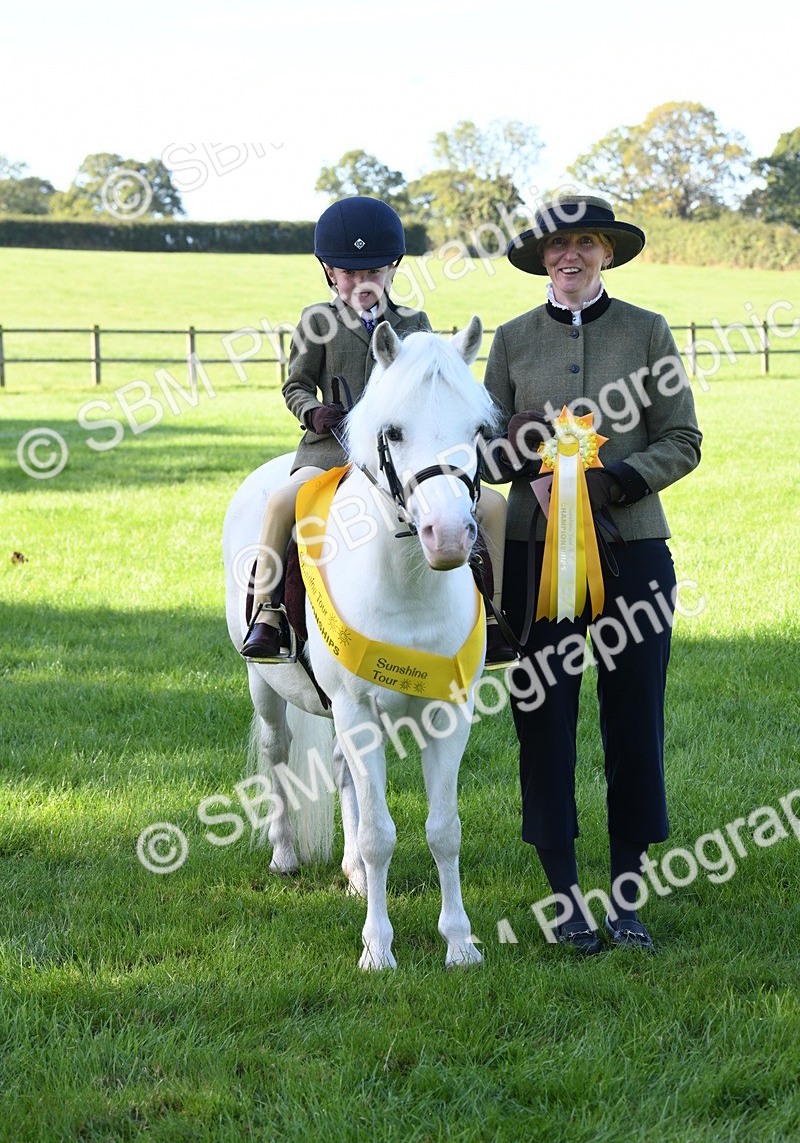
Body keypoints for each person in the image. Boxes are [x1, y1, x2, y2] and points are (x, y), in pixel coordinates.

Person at [483, 193, 702, 954]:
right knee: (543, 724)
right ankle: (566, 897)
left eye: (583, 244)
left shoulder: (647, 331)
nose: (568, 255)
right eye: (554, 246)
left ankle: (629, 899)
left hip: (635, 555)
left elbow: (683, 439)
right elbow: (482, 454)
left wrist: (618, 481)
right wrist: (514, 444)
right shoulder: (510, 341)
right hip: (533, 562)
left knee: (634, 721)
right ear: (541, 259)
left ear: (606, 253)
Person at [240, 195, 512, 666]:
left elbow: (433, 390)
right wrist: (312, 413)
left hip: (405, 455)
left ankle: (491, 613)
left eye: (374, 272)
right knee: (284, 501)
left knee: (492, 506)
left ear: (392, 270)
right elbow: (295, 384)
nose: (362, 282)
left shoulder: (414, 323)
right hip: (331, 452)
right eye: (350, 273)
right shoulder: (316, 322)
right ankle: (269, 613)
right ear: (329, 272)